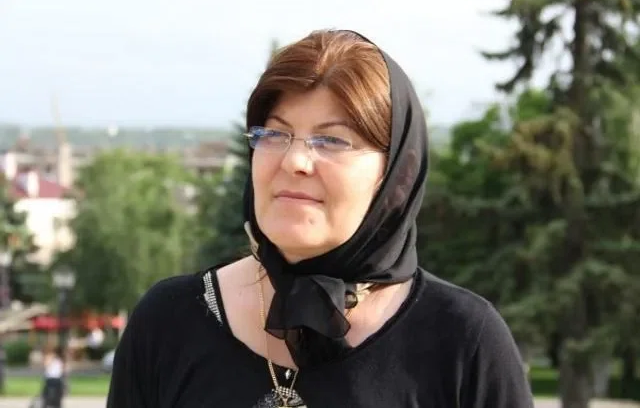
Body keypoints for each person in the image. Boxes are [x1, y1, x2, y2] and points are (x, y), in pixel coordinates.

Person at [107, 29, 535, 407]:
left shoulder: (463, 341)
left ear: (395, 175)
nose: (295, 161)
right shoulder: (168, 323)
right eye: (274, 133)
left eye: (332, 140)